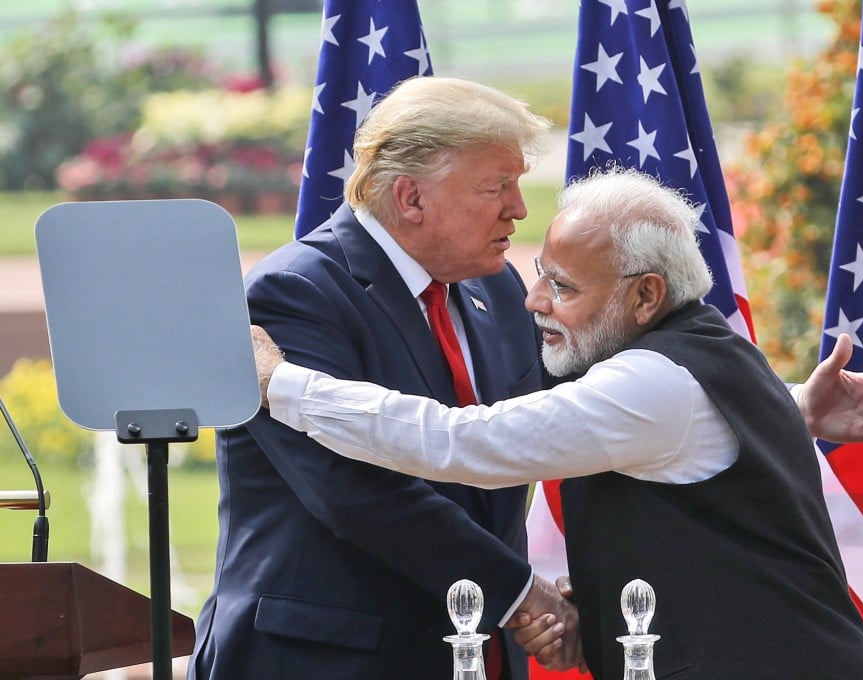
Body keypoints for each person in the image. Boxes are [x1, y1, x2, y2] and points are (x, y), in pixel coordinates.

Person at [252, 167, 863, 679]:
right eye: (541, 274)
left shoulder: (651, 382)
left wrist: (284, 385)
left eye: (564, 287)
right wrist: (792, 408)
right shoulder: (699, 353)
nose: (533, 300)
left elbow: (462, 441)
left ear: (645, 294)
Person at [188, 76, 581, 680]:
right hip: (326, 659)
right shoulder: (296, 293)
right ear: (411, 198)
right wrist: (519, 594)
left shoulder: (496, 286)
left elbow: (556, 426)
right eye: (496, 187)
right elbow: (355, 489)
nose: (519, 208)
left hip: (474, 652)